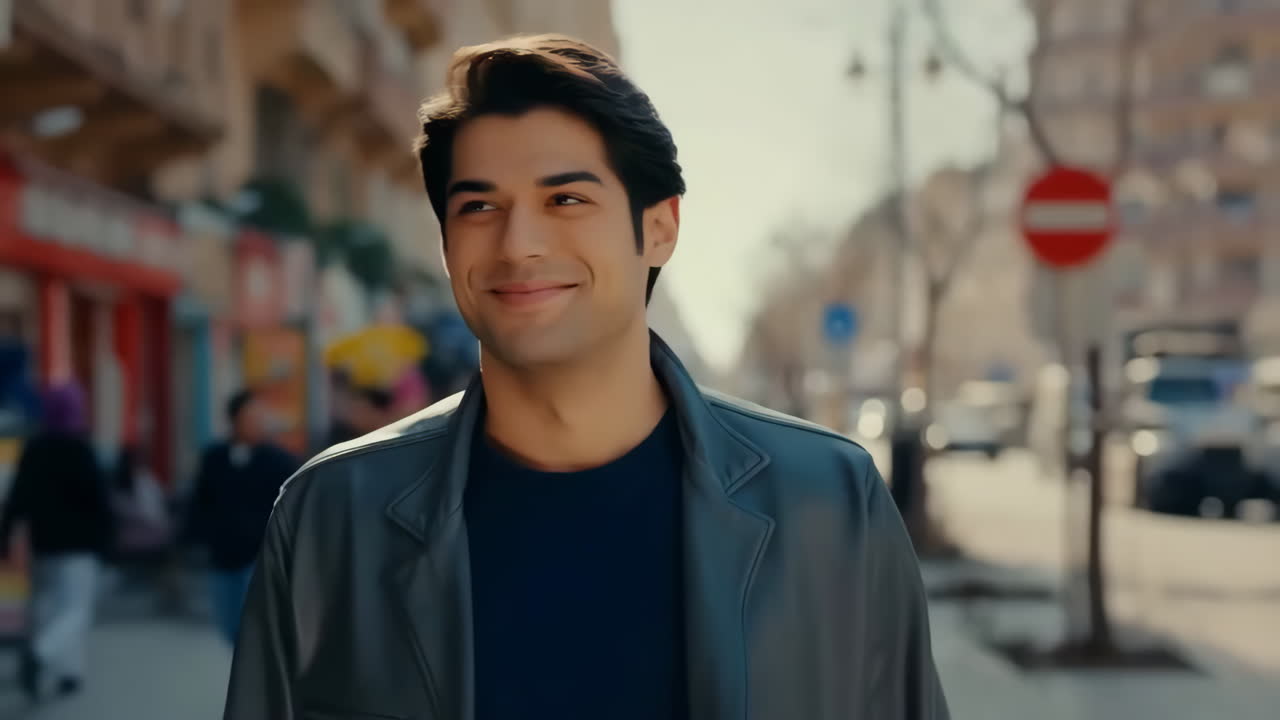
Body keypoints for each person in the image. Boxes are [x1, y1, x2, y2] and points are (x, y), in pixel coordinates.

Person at [225, 35, 949, 720]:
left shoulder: (830, 505)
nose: (518, 244)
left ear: (659, 228)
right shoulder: (332, 518)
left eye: (566, 199)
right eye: (479, 207)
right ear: (446, 246)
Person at [0, 382, 113, 701]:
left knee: (49, 609)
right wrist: (108, 544)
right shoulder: (81, 450)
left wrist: (6, 536)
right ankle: (41, 654)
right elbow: (99, 502)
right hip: (81, 546)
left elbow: (18, 498)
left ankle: (69, 673)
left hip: (44, 543)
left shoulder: (35, 449)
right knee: (75, 610)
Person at [183, 390, 297, 646]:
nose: (256, 424)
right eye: (249, 418)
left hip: (259, 556)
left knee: (254, 626)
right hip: (222, 555)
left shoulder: (279, 461)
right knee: (228, 624)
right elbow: (202, 501)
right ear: (234, 420)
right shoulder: (215, 458)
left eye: (259, 418)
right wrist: (198, 538)